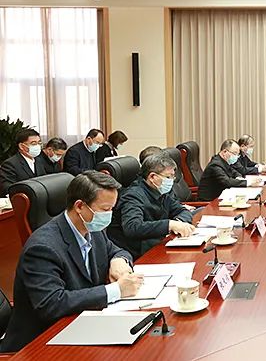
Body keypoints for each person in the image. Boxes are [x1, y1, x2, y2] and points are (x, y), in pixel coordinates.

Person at [0, 171, 143, 352]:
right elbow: (51, 304)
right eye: (105, 209)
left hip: (82, 325)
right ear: (80, 206)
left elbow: (116, 250)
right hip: (40, 343)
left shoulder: (93, 229)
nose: (109, 215)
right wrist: (116, 290)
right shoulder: (42, 247)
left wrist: (119, 260)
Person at [107, 153, 195, 259]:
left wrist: (178, 223)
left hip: (160, 242)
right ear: (152, 177)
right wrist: (169, 225)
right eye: (168, 177)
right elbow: (132, 227)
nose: (171, 181)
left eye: (173, 177)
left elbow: (182, 210)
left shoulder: (162, 191)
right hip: (139, 251)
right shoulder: (133, 195)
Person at [198, 139, 263, 201]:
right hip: (210, 201)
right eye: (234, 153)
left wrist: (239, 177)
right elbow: (227, 181)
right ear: (224, 152)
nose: (236, 157)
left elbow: (233, 171)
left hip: (219, 197)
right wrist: (249, 182)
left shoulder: (224, 161)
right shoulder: (215, 165)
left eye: (237, 154)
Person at [0, 128, 46, 196]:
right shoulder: (10, 164)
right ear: (21, 146)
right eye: (33, 143)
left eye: (39, 143)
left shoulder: (39, 160)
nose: (37, 146)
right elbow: (7, 188)